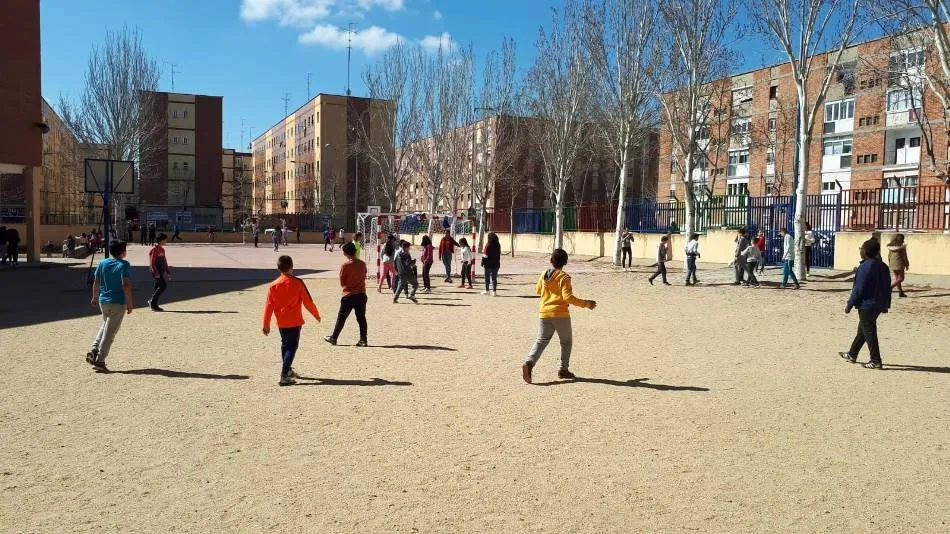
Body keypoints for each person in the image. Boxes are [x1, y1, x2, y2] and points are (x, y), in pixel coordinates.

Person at [521, 248, 596, 384]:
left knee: (541, 341)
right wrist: (586, 304)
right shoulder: (564, 277)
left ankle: (529, 363)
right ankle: (563, 369)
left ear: (551, 261)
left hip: (544, 312)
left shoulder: (544, 274)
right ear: (565, 262)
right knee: (566, 342)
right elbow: (568, 297)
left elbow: (538, 290)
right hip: (560, 314)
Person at [262, 255, 321, 386]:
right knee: (292, 347)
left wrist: (266, 324)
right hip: (294, 321)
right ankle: (284, 375)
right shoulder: (297, 282)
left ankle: (287, 370)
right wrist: (316, 314)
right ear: (292, 268)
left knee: (284, 344)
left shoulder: (273, 285)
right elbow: (307, 301)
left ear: (278, 268)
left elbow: (268, 306)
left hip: (281, 322)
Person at [839, 238, 891, 370]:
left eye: (861, 248)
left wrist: (849, 304)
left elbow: (858, 288)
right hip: (878, 304)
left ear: (866, 251)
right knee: (863, 330)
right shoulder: (883, 266)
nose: (860, 251)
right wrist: (886, 304)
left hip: (867, 305)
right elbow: (887, 287)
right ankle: (852, 354)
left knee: (869, 332)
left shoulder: (865, 267)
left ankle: (876, 360)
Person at [85, 240, 133, 371]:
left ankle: (94, 349)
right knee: (110, 332)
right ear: (123, 252)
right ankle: (100, 360)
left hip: (103, 301)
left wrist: (94, 296)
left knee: (105, 324)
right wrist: (130, 304)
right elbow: (126, 285)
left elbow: (96, 281)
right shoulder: (124, 265)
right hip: (118, 302)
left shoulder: (103, 263)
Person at [324, 242, 368, 347]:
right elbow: (364, 275)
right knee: (361, 318)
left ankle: (334, 337)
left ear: (345, 253)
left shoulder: (346, 265)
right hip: (361, 294)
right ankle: (363, 339)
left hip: (348, 295)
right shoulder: (362, 264)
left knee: (341, 318)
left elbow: (342, 281)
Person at [147, 233, 171, 311]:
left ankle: (154, 305)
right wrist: (156, 273)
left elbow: (164, 261)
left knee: (157, 287)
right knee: (163, 286)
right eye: (165, 239)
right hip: (155, 272)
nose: (166, 241)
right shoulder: (154, 249)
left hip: (161, 271)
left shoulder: (162, 249)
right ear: (161, 240)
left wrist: (168, 272)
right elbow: (152, 262)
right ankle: (152, 301)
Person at [393, 240, 419, 304]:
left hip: (401, 273)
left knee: (400, 285)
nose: (409, 248)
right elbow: (408, 264)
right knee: (416, 284)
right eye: (409, 247)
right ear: (406, 248)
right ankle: (411, 295)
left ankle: (395, 298)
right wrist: (413, 262)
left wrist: (397, 270)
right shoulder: (407, 254)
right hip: (408, 273)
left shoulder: (398, 254)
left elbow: (395, 263)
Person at [887, 234, 909, 298]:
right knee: (901, 278)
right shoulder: (902, 247)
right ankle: (890, 288)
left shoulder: (891, 247)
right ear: (902, 239)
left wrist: (890, 262)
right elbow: (904, 256)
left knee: (897, 279)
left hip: (892, 263)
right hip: (899, 263)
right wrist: (907, 264)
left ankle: (900, 292)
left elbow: (889, 255)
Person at [482, 232, 502, 296]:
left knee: (487, 277)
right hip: (496, 263)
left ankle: (487, 290)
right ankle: (494, 292)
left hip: (488, 264)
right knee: (494, 278)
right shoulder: (498, 245)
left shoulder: (488, 245)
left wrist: (482, 262)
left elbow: (485, 255)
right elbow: (499, 255)